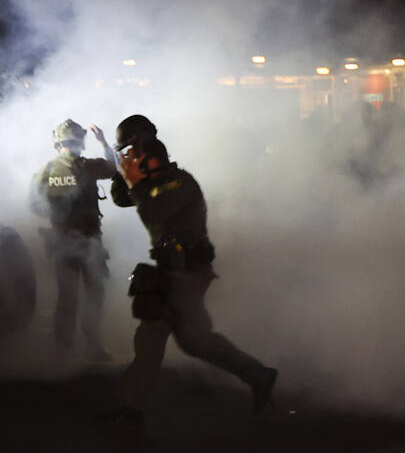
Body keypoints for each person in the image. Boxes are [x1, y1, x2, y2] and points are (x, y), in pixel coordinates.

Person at [104, 114, 277, 429]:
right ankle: (259, 376)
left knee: (151, 337)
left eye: (134, 155)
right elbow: (120, 199)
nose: (131, 159)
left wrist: (134, 181)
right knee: (195, 341)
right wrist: (122, 173)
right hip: (176, 271)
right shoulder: (152, 182)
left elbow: (151, 212)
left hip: (187, 273)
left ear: (151, 160)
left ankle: (130, 412)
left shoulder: (176, 182)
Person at [29, 118, 115, 360]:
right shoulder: (89, 166)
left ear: (58, 143)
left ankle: (63, 349)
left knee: (67, 297)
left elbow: (33, 205)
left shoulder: (45, 171)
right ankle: (93, 347)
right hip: (89, 240)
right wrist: (104, 141)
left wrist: (57, 217)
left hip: (61, 242)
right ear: (81, 142)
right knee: (95, 294)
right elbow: (115, 167)